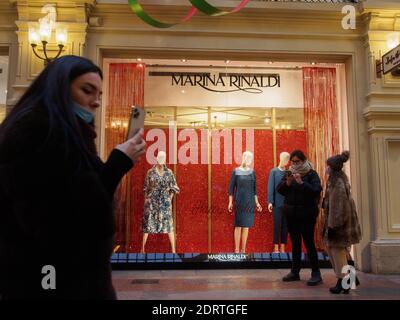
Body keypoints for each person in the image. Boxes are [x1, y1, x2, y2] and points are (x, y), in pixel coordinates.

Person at [0, 55, 146, 300]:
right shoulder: (37, 133)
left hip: (73, 276)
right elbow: (63, 220)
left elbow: (83, 196)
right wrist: (117, 164)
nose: (96, 102)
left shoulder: (71, 134)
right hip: (53, 278)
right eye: (87, 91)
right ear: (59, 88)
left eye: (99, 95)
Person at [277, 150, 323, 286]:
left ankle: (316, 273)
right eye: (293, 162)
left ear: (303, 161)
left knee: (309, 243)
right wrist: (288, 183)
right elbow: (279, 189)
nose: (295, 164)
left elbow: (316, 190)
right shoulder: (288, 173)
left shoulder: (311, 173)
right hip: (292, 214)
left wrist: (302, 183)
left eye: (297, 161)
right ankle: (295, 272)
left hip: (307, 214)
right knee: (295, 244)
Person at [323, 151, 362, 294]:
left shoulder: (337, 183)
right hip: (343, 224)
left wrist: (333, 226)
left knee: (337, 251)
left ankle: (344, 281)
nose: (326, 169)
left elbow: (338, 207)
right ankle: (351, 278)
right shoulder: (337, 180)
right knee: (344, 252)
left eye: (328, 166)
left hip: (339, 225)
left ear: (332, 168)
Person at [141, 151, 180, 254]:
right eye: (160, 157)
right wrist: (147, 200)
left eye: (163, 157)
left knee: (168, 224)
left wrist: (169, 199)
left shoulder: (169, 172)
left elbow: (174, 187)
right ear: (157, 158)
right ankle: (142, 249)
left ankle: (173, 250)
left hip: (164, 201)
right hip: (152, 201)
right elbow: (146, 188)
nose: (161, 159)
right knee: (148, 223)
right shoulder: (150, 172)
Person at [228, 151, 262, 253]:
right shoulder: (236, 171)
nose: (250, 160)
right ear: (244, 158)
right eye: (248, 158)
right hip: (239, 201)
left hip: (250, 202)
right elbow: (231, 189)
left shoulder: (252, 172)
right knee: (238, 225)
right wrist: (230, 202)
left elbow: (254, 190)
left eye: (251, 159)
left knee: (246, 226)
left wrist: (257, 203)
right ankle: (237, 250)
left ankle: (243, 250)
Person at [267, 151, 290, 253]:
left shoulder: (288, 172)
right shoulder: (274, 172)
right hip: (277, 203)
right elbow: (270, 187)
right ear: (281, 159)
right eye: (286, 159)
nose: (287, 161)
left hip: (287, 203)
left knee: (286, 225)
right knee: (277, 225)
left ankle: (283, 246)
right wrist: (270, 202)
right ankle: (276, 246)